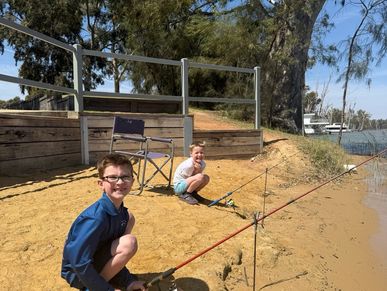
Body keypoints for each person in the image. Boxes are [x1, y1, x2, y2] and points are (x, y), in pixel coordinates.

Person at [61, 153, 147, 291]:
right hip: (79, 274)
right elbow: (79, 263)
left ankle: (107, 281)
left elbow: (110, 254)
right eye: (112, 177)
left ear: (132, 181)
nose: (119, 182)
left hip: (96, 263)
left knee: (130, 218)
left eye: (125, 176)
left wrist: (128, 282)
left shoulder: (123, 214)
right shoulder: (95, 218)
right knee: (129, 243)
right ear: (101, 184)